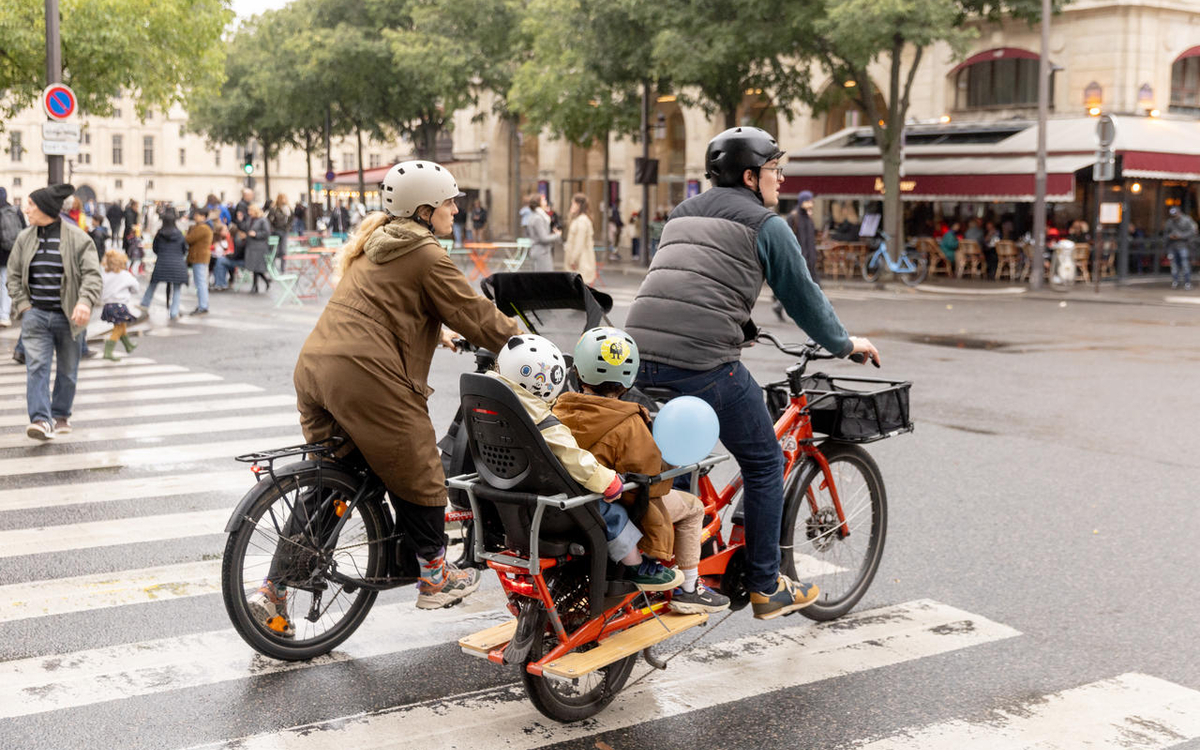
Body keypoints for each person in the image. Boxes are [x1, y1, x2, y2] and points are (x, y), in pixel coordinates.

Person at [624, 126, 880, 620]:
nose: (780, 180)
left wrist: (741, 326)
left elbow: (688, 282)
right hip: (701, 363)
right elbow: (804, 300)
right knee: (764, 461)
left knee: (680, 462)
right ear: (749, 176)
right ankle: (766, 585)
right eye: (774, 171)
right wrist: (846, 344)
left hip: (638, 357)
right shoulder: (769, 226)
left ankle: (680, 572)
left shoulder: (680, 214)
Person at [288, 160, 520, 619]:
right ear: (424, 210)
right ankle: (434, 576)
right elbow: (475, 313)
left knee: (330, 481)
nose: (456, 209)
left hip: (317, 369)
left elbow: (384, 309)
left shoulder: (375, 246)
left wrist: (439, 334)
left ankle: (275, 588)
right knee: (421, 467)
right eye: (449, 202)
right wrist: (525, 341)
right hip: (367, 377)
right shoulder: (426, 253)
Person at [554, 327, 731, 613]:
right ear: (627, 382)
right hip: (617, 505)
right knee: (694, 507)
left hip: (571, 508)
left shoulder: (558, 409)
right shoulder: (630, 422)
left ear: (577, 373)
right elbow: (652, 484)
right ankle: (689, 590)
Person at [490, 334, 682, 590]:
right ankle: (642, 567)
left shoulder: (502, 406)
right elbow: (578, 460)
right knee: (612, 511)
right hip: (568, 504)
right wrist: (610, 481)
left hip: (520, 495)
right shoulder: (548, 422)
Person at [5, 183, 102, 440]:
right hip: (35, 314)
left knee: (68, 371)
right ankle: (40, 419)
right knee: (36, 367)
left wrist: (84, 302)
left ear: (46, 208)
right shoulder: (25, 238)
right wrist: (23, 305)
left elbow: (93, 275)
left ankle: (60, 415)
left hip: (69, 316)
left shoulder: (79, 238)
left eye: (32, 205)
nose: (26, 209)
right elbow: (13, 275)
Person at [139, 207, 189, 320]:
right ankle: (174, 312)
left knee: (153, 284)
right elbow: (184, 249)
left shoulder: (159, 234)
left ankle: (144, 304)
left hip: (162, 263)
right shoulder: (180, 235)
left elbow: (155, 249)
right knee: (177, 289)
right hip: (177, 265)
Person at [99, 250, 140, 360]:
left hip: (108, 305)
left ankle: (128, 345)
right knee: (118, 329)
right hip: (120, 305)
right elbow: (136, 287)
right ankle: (108, 351)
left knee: (121, 325)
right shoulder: (125, 275)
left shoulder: (104, 275)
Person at [0, 186, 26, 328]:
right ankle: (4, 315)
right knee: (6, 284)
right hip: (10, 253)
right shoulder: (14, 211)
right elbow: (23, 231)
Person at [563, 193, 596, 285]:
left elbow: (579, 243)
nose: (571, 206)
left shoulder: (582, 221)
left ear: (579, 205)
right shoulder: (579, 219)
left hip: (580, 263)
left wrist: (573, 260)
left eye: (573, 203)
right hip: (579, 263)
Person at [185, 209, 213, 315]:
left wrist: (189, 232)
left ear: (203, 217)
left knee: (200, 282)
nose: (195, 217)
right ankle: (203, 304)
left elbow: (188, 239)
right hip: (199, 257)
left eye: (198, 215)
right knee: (200, 282)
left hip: (199, 257)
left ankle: (203, 306)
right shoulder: (201, 227)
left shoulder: (202, 228)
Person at [789, 190, 819, 284]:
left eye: (811, 201)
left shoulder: (808, 218)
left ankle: (818, 297)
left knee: (812, 280)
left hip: (810, 256)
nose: (811, 204)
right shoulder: (794, 217)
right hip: (798, 254)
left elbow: (811, 236)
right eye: (809, 201)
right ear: (803, 201)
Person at [1164, 207, 1196, 290]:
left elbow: (1193, 231)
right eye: (1172, 215)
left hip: (1183, 245)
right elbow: (1165, 234)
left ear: (1179, 212)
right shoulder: (1170, 222)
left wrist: (1181, 236)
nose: (1174, 217)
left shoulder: (1187, 220)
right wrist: (1170, 236)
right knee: (1174, 265)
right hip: (1172, 246)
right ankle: (1175, 282)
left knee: (1185, 264)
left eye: (1175, 215)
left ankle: (1187, 282)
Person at [526, 193, 559, 272]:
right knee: (544, 279)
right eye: (543, 200)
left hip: (541, 251)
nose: (546, 201)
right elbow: (543, 238)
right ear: (538, 203)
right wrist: (557, 235)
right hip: (541, 253)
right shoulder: (538, 218)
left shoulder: (538, 216)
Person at [244, 204, 272, 293]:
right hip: (251, 245)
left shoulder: (263, 220)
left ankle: (257, 285)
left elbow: (267, 233)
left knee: (257, 267)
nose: (249, 212)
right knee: (254, 267)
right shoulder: (250, 219)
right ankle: (258, 284)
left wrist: (256, 234)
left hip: (259, 246)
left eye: (250, 211)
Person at [267, 194, 291, 272]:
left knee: (283, 251)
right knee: (274, 251)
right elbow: (269, 220)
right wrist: (273, 229)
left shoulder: (288, 209)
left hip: (284, 232)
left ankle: (282, 268)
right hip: (276, 232)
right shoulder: (274, 209)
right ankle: (273, 268)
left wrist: (288, 228)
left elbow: (291, 219)